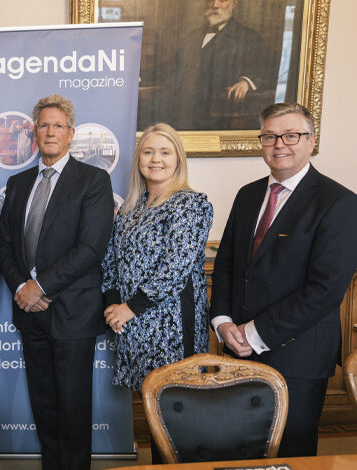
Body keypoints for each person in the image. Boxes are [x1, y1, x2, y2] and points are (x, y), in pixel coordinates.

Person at [210, 102, 357, 457]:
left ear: (311, 141)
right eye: (270, 136)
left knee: (291, 455)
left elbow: (325, 290)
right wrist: (223, 322)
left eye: (291, 135)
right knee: (238, 451)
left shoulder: (340, 203)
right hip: (238, 351)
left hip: (299, 357)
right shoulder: (248, 195)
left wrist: (254, 333)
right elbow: (226, 264)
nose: (279, 144)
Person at [0, 94, 114, 470]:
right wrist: (21, 288)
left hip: (72, 314)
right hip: (30, 315)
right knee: (44, 406)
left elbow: (90, 248)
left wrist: (40, 287)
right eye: (43, 125)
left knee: (73, 411)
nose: (50, 132)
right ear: (35, 133)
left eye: (57, 126)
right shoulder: (18, 183)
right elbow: (5, 245)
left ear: (71, 133)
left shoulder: (93, 180)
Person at [101, 123, 213, 393]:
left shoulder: (190, 204)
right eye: (148, 152)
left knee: (176, 404)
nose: (155, 159)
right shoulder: (131, 207)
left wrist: (129, 308)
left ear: (178, 160)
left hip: (171, 327)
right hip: (131, 324)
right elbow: (110, 261)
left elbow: (174, 269)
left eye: (165, 152)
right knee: (150, 403)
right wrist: (113, 305)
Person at [171, 0, 270, 130]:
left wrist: (246, 82)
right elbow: (173, 69)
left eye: (222, 0)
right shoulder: (192, 37)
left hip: (224, 120)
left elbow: (266, 71)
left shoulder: (249, 37)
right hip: (187, 117)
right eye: (211, 0)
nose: (215, 5)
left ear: (234, 4)